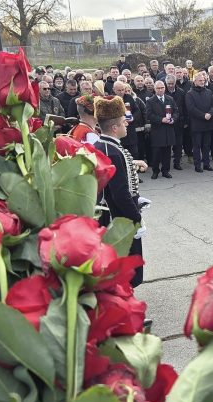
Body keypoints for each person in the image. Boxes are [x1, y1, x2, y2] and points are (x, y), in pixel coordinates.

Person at [93, 96, 148, 286]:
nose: (127, 124)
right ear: (114, 127)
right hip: (118, 218)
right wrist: (136, 219)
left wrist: (137, 199)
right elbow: (119, 194)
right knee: (127, 271)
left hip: (110, 215)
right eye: (124, 121)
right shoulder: (113, 152)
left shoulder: (103, 145)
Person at [185, 73, 213, 172]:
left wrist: (210, 114)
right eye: (200, 80)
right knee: (197, 146)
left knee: (206, 145)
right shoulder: (189, 94)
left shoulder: (209, 92)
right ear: (194, 81)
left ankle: (206, 164)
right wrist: (203, 115)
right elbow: (191, 108)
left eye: (203, 80)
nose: (202, 82)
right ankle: (197, 165)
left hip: (208, 123)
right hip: (196, 124)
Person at [145, 80, 178, 179]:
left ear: (165, 88)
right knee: (156, 153)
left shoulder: (170, 99)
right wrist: (161, 119)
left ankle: (165, 171)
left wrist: (173, 119)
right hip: (157, 130)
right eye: (158, 88)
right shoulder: (150, 101)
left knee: (167, 153)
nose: (160, 90)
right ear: (155, 89)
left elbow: (176, 111)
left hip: (168, 129)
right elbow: (149, 115)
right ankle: (155, 171)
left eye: (162, 88)